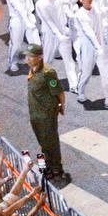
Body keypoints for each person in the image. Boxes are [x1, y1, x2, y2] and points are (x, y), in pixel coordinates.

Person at [25, 45, 70, 185]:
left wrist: (61, 106)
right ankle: (49, 164)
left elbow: (59, 92)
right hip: (35, 112)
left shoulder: (48, 72)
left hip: (46, 113)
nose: (28, 59)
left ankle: (56, 168)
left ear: (39, 57)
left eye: (31, 56)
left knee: (50, 141)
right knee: (43, 142)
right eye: (27, 56)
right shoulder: (33, 69)